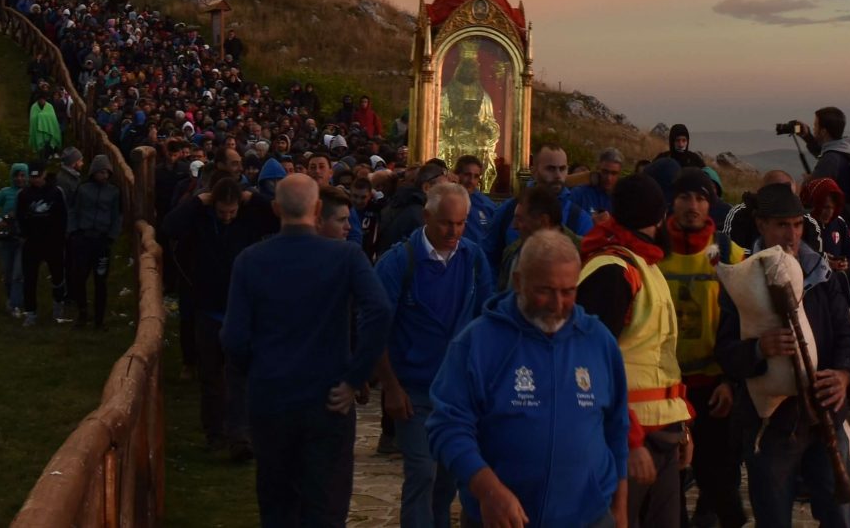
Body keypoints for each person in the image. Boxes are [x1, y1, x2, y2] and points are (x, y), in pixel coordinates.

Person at [426, 229, 631, 528]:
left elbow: (617, 425)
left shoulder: (598, 340)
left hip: (589, 517)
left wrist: (621, 510)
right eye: (545, 290)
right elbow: (447, 426)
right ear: (519, 281)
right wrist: (488, 490)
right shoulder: (478, 342)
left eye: (568, 291)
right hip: (501, 518)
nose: (557, 304)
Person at [222, 174, 393, 528]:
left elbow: (234, 337)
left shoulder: (250, 260)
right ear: (317, 210)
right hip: (329, 398)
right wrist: (355, 376)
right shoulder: (346, 256)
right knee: (326, 506)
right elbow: (379, 310)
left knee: (278, 503)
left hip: (271, 399)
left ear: (275, 208)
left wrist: (257, 370)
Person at [716, 181, 850, 528]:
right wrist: (759, 350)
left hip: (826, 413)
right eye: (782, 224)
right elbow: (726, 352)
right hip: (771, 426)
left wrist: (843, 375)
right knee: (773, 519)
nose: (792, 234)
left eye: (797, 224)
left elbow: (847, 336)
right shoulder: (741, 280)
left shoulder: (822, 275)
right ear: (762, 224)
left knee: (839, 517)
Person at [376, 181, 496, 528]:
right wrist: (391, 387)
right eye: (446, 223)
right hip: (414, 391)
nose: (454, 232)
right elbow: (375, 328)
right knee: (421, 475)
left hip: (459, 393)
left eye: (460, 224)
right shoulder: (398, 263)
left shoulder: (473, 259)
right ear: (427, 216)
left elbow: (487, 318)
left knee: (448, 481)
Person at [577, 174, 692, 528]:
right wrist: (630, 440)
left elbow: (659, 362)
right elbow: (587, 370)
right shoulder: (613, 272)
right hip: (628, 440)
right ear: (661, 218)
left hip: (662, 434)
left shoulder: (645, 265)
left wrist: (682, 425)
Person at [661, 168, 746, 528]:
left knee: (720, 480)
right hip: (664, 389)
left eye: (700, 198)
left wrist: (732, 380)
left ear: (710, 204)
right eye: (684, 197)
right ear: (672, 201)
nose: (692, 206)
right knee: (667, 489)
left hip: (713, 388)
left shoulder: (725, 253)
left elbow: (744, 325)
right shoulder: (653, 250)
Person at [163, 176, 273, 454]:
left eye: (231, 212)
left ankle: (241, 435)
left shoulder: (249, 220)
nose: (226, 217)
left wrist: (255, 198)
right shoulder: (199, 219)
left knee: (241, 377)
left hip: (241, 310)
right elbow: (167, 228)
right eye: (222, 212)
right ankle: (215, 433)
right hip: (207, 308)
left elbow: (279, 218)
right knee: (211, 376)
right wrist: (194, 203)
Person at [69, 154, 126, 329]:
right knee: (80, 277)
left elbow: (117, 215)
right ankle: (83, 312)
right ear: (94, 172)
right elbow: (74, 210)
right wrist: (74, 232)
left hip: (102, 240)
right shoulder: (83, 189)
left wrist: (111, 236)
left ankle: (99, 319)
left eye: (107, 172)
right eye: (101, 172)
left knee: (100, 280)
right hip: (84, 238)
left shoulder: (114, 192)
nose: (104, 176)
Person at [15, 158, 72, 325]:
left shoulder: (56, 192)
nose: (35, 180)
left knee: (57, 276)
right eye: (32, 177)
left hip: (53, 241)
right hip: (32, 242)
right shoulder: (24, 194)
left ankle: (58, 306)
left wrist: (61, 237)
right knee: (29, 278)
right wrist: (24, 234)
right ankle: (30, 312)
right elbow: (19, 216)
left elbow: (63, 216)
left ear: (44, 174)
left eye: (38, 176)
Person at [500, 183, 574, 292]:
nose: (514, 226)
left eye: (520, 219)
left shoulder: (583, 255)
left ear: (543, 221)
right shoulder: (511, 254)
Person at [0, 161, 30, 317]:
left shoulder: (30, 193)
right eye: (16, 175)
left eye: (22, 175)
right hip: (5, 239)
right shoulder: (5, 193)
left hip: (22, 239)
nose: (19, 179)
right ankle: (12, 300)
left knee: (18, 274)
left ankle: (15, 305)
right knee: (8, 274)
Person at [565, 148, 625, 224]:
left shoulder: (623, 199)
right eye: (605, 172)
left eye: (614, 173)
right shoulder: (579, 193)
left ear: (619, 174)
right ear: (597, 169)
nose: (609, 178)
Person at [803, 177, 850, 266]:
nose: (830, 212)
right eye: (826, 207)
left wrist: (846, 264)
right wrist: (825, 262)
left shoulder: (839, 223)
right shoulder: (804, 224)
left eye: (833, 208)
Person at [28, 91, 63, 158]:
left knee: (50, 140)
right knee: (41, 144)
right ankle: (41, 154)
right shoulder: (34, 107)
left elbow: (52, 117)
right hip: (37, 130)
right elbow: (32, 118)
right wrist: (40, 117)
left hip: (49, 128)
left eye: (43, 99)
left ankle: (52, 153)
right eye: (40, 99)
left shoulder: (49, 107)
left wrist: (41, 116)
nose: (42, 101)